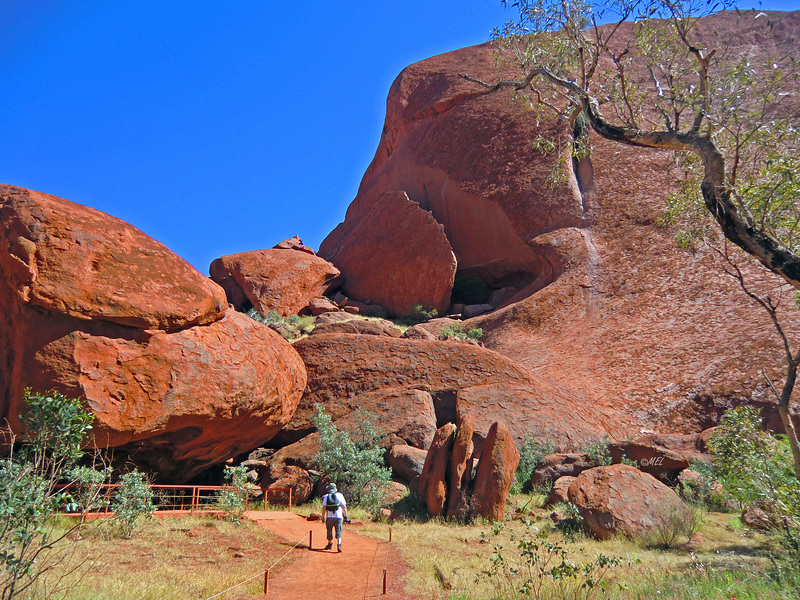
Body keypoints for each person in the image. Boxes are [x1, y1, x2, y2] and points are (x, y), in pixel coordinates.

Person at [321, 483, 348, 552]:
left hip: (329, 516)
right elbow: (344, 507)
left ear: (329, 489)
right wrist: (346, 516)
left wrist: (323, 516)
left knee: (329, 530)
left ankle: (330, 543)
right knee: (339, 530)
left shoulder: (326, 496)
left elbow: (324, 507)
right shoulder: (340, 495)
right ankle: (339, 544)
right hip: (338, 516)